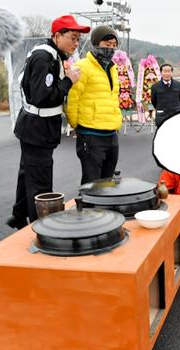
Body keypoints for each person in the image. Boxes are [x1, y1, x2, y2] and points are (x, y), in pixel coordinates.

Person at [8, 15, 89, 229]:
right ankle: (40, 227)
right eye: (72, 37)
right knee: (40, 181)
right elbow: (43, 96)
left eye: (78, 39)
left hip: (34, 127)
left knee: (28, 173)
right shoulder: (45, 57)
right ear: (57, 35)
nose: (75, 43)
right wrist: (69, 81)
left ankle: (19, 214)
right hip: (38, 129)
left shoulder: (50, 54)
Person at [67, 25, 122, 185]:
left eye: (114, 45)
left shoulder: (112, 68)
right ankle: (88, 210)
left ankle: (105, 210)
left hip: (111, 134)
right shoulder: (82, 66)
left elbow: (113, 98)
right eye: (107, 45)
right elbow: (73, 98)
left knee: (107, 182)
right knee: (92, 183)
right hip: (91, 135)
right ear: (96, 44)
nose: (111, 49)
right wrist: (77, 125)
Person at [151, 63, 180, 128]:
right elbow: (154, 101)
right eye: (165, 71)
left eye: (169, 71)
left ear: (172, 72)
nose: (167, 73)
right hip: (161, 116)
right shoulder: (155, 86)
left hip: (175, 115)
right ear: (161, 72)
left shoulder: (178, 85)